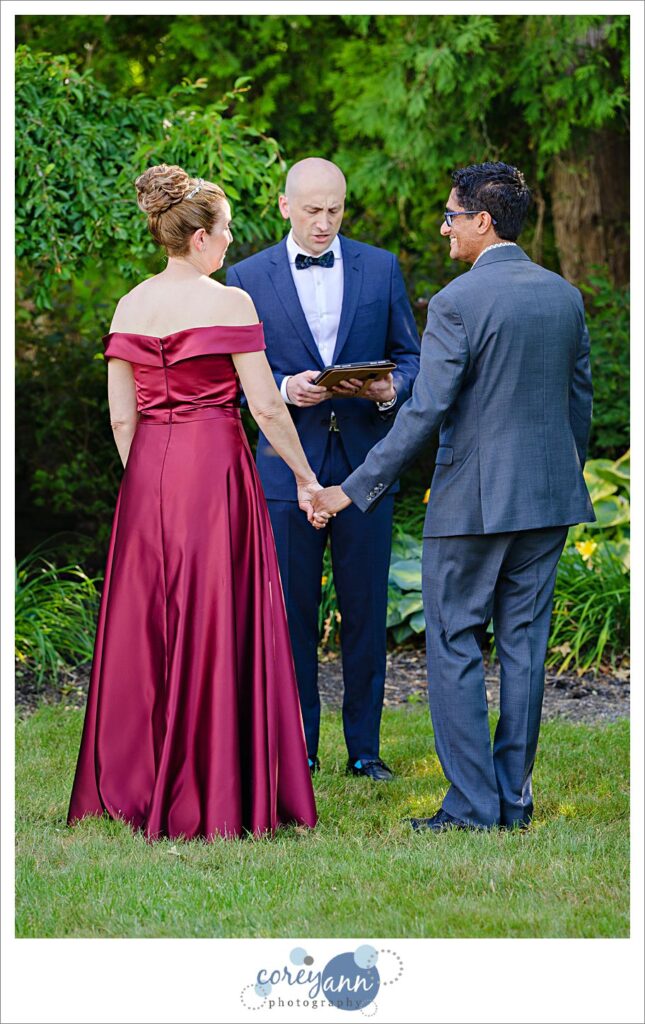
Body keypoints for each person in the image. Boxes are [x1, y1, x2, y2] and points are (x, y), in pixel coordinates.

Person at [313, 161, 595, 831]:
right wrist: (559, 473)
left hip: (471, 500)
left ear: (481, 221)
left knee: (454, 637)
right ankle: (512, 801)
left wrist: (351, 490)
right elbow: (578, 400)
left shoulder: (456, 302)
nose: (443, 228)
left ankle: (471, 807)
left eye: (449, 216)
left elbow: (424, 410)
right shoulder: (563, 295)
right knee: (524, 646)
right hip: (548, 497)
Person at [67, 164, 321, 842]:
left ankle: (137, 779)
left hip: (149, 474)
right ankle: (214, 780)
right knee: (215, 613)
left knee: (151, 620)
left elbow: (122, 420)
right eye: (228, 230)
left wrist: (151, 480)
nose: (232, 242)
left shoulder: (129, 305)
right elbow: (264, 405)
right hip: (215, 473)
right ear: (201, 236)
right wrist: (302, 475)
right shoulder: (229, 303)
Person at [226, 158, 420, 781]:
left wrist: (383, 390)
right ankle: (297, 748)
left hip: (365, 469)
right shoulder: (245, 277)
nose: (324, 222)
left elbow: (412, 361)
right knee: (291, 616)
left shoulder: (380, 266)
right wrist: (283, 388)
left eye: (334, 209)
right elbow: (229, 384)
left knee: (366, 612)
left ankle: (364, 750)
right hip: (286, 471)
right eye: (312, 210)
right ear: (285, 206)